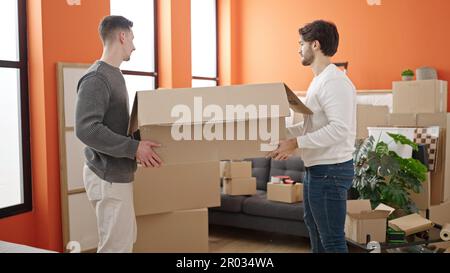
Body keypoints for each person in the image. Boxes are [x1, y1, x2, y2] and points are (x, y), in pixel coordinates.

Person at [75, 15, 163, 253]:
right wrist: (134, 149)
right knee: (116, 247)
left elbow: (114, 126)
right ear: (122, 36)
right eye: (132, 39)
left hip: (117, 175)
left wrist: (140, 141)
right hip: (108, 177)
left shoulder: (114, 74)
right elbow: (87, 129)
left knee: (124, 241)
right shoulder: (97, 78)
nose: (134, 45)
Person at [268, 20, 357, 253]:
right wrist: (283, 136)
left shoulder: (335, 82)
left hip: (331, 171)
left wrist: (295, 143)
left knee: (332, 239)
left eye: (301, 43)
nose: (299, 49)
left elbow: (340, 129)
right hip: (316, 169)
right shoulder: (318, 81)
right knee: (315, 231)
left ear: (315, 45)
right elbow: (311, 126)